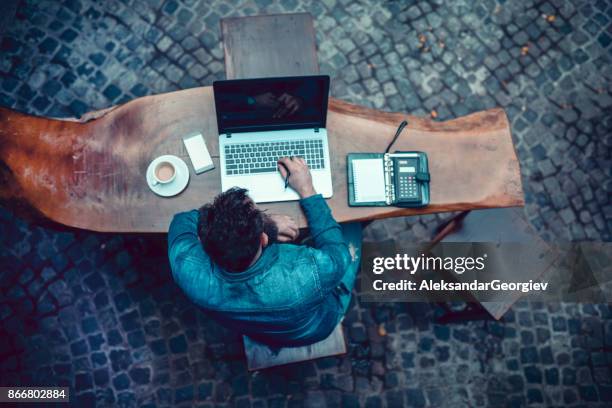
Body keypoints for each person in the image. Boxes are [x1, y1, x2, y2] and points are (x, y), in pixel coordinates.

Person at [168, 157, 360, 346]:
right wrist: (306, 190)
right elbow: (338, 255)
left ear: (202, 241)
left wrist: (257, 224)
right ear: (264, 238)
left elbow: (182, 220)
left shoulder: (186, 268)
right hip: (315, 328)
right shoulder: (309, 271)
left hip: (260, 333)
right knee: (352, 227)